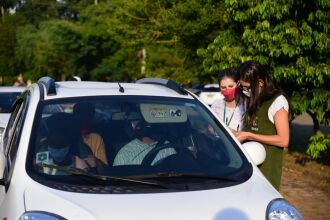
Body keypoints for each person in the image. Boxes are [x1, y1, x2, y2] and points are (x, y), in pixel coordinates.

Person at [235, 60, 290, 190]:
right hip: (249, 169)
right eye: (242, 87)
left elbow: (283, 140)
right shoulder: (253, 99)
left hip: (266, 173)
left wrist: (250, 135)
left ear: (260, 83)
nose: (244, 91)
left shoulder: (277, 101)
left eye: (247, 88)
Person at [211, 67, 245, 132]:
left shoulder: (246, 105)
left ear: (238, 84)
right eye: (223, 87)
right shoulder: (216, 105)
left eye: (231, 86)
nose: (227, 90)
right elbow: (210, 128)